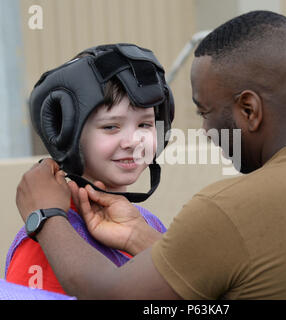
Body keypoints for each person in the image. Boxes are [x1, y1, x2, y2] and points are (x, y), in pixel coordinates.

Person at [15, 10, 286, 299]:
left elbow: (115, 294)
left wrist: (44, 216)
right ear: (68, 135)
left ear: (249, 110)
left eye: (205, 113)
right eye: (110, 127)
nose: (203, 131)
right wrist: (140, 239)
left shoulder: (227, 210)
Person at [6, 43, 173, 295]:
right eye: (110, 127)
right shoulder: (48, 241)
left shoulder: (148, 224)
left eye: (145, 125)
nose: (132, 142)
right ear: (68, 136)